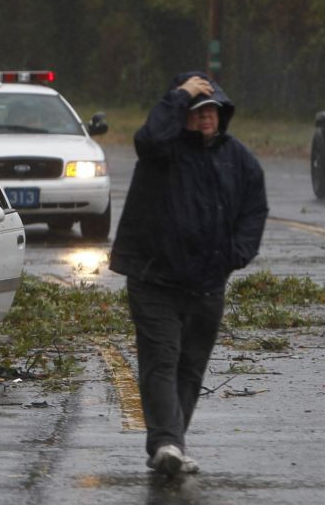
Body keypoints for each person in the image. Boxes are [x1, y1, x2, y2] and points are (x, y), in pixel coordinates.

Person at [109, 71, 268, 477]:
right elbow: (148, 138)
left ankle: (171, 445)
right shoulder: (162, 151)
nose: (205, 117)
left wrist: (236, 254)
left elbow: (254, 210)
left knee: (190, 369)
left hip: (208, 284)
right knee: (162, 361)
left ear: (222, 113)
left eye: (211, 109)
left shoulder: (238, 159)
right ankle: (167, 443)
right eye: (196, 110)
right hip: (154, 279)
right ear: (181, 114)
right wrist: (180, 95)